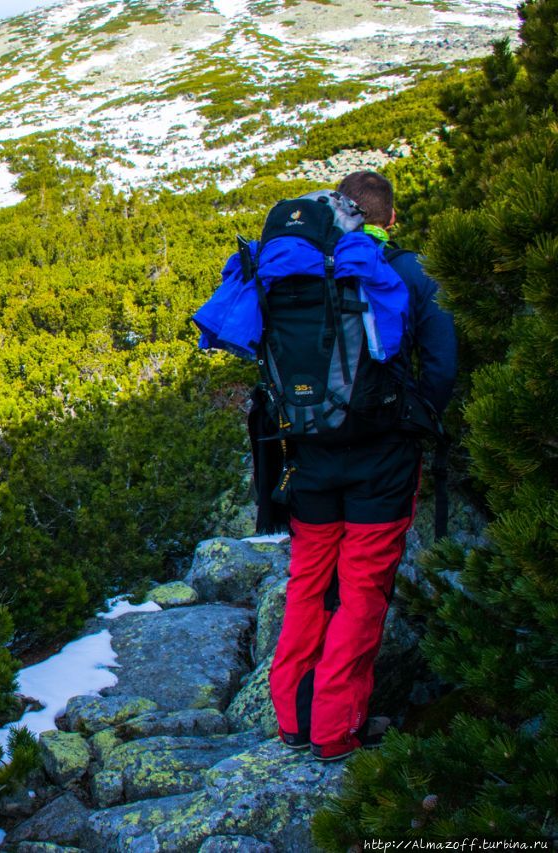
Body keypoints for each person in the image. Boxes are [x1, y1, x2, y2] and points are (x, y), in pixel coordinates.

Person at [267, 170, 457, 761]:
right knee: (362, 592)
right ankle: (334, 731)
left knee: (308, 586)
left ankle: (294, 719)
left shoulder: (297, 266)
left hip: (309, 453)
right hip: (383, 458)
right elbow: (443, 361)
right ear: (388, 218)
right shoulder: (404, 270)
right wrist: (417, 413)